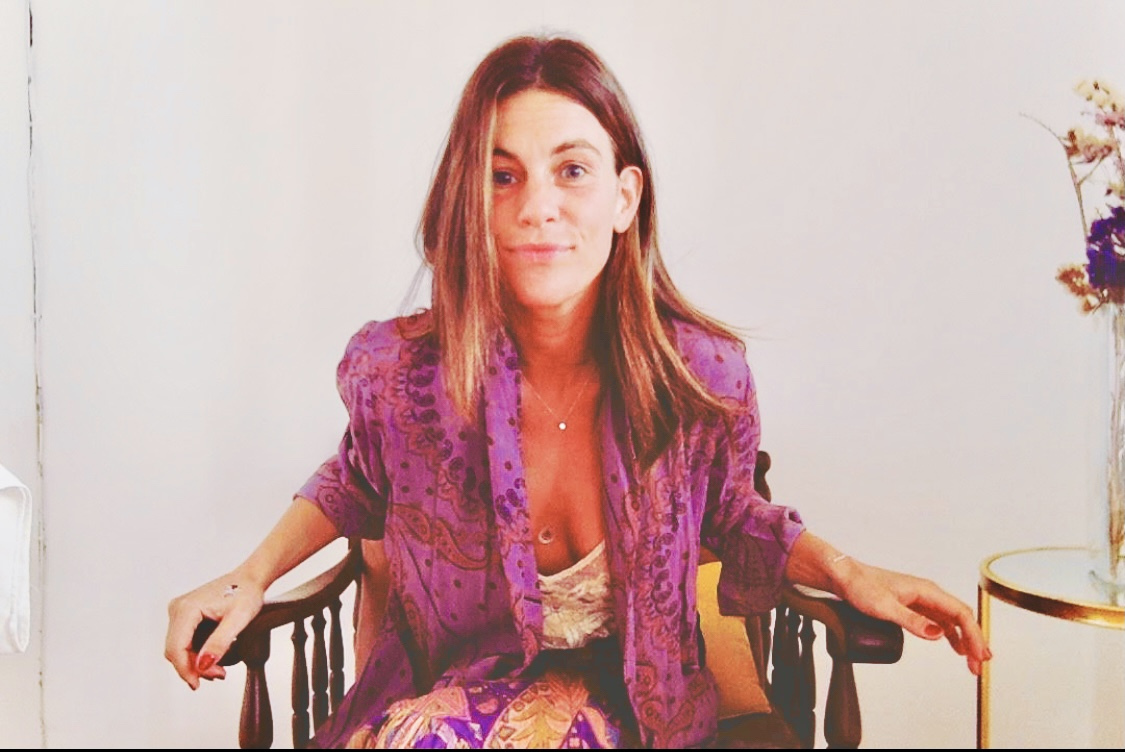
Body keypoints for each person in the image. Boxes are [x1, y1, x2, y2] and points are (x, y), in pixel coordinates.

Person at [165, 34, 990, 749]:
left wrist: (847, 573)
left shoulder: (698, 379)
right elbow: (354, 480)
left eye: (571, 171)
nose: (537, 208)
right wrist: (249, 575)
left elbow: (733, 515)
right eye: (501, 176)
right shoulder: (402, 376)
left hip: (634, 702)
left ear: (624, 198)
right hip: (448, 692)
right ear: (468, 201)